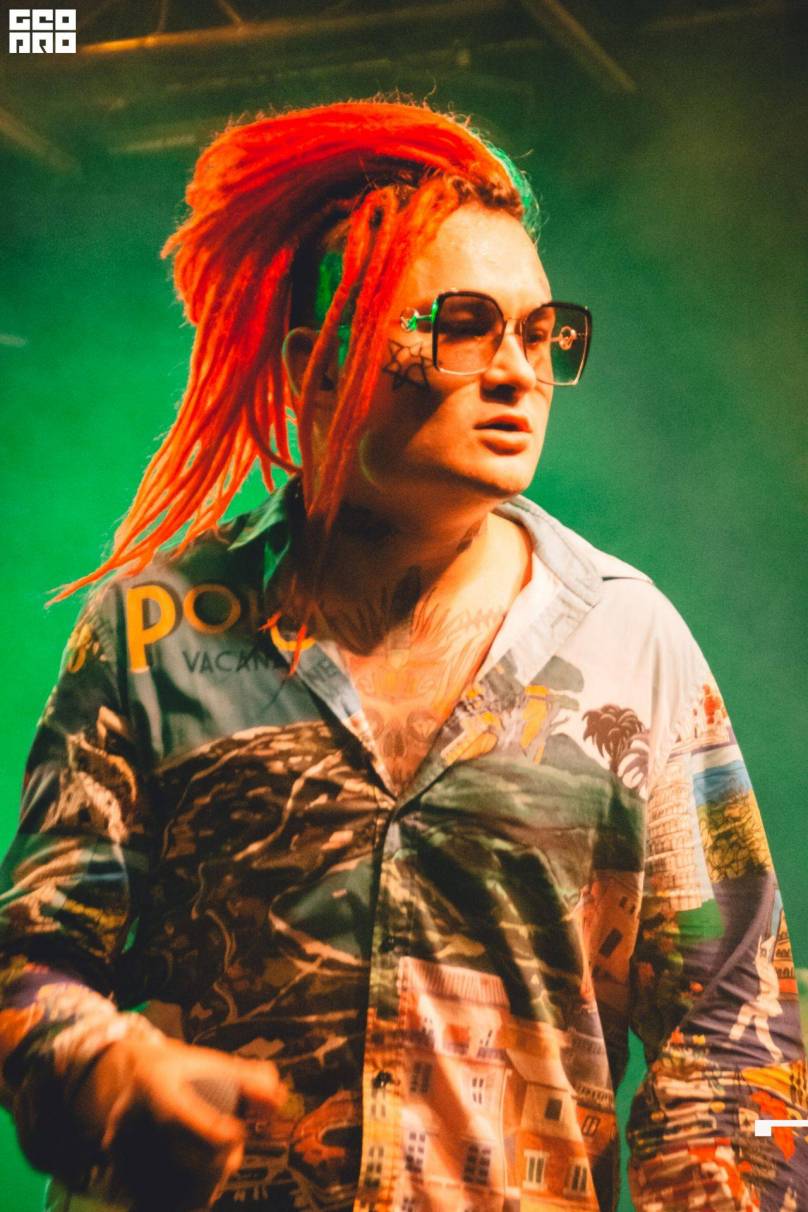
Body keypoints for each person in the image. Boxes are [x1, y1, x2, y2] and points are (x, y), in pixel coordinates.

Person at [0, 99, 805, 1212]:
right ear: (318, 365)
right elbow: (32, 951)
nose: (517, 370)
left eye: (539, 332)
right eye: (463, 325)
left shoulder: (634, 644)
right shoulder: (156, 631)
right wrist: (101, 1067)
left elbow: (737, 1032)